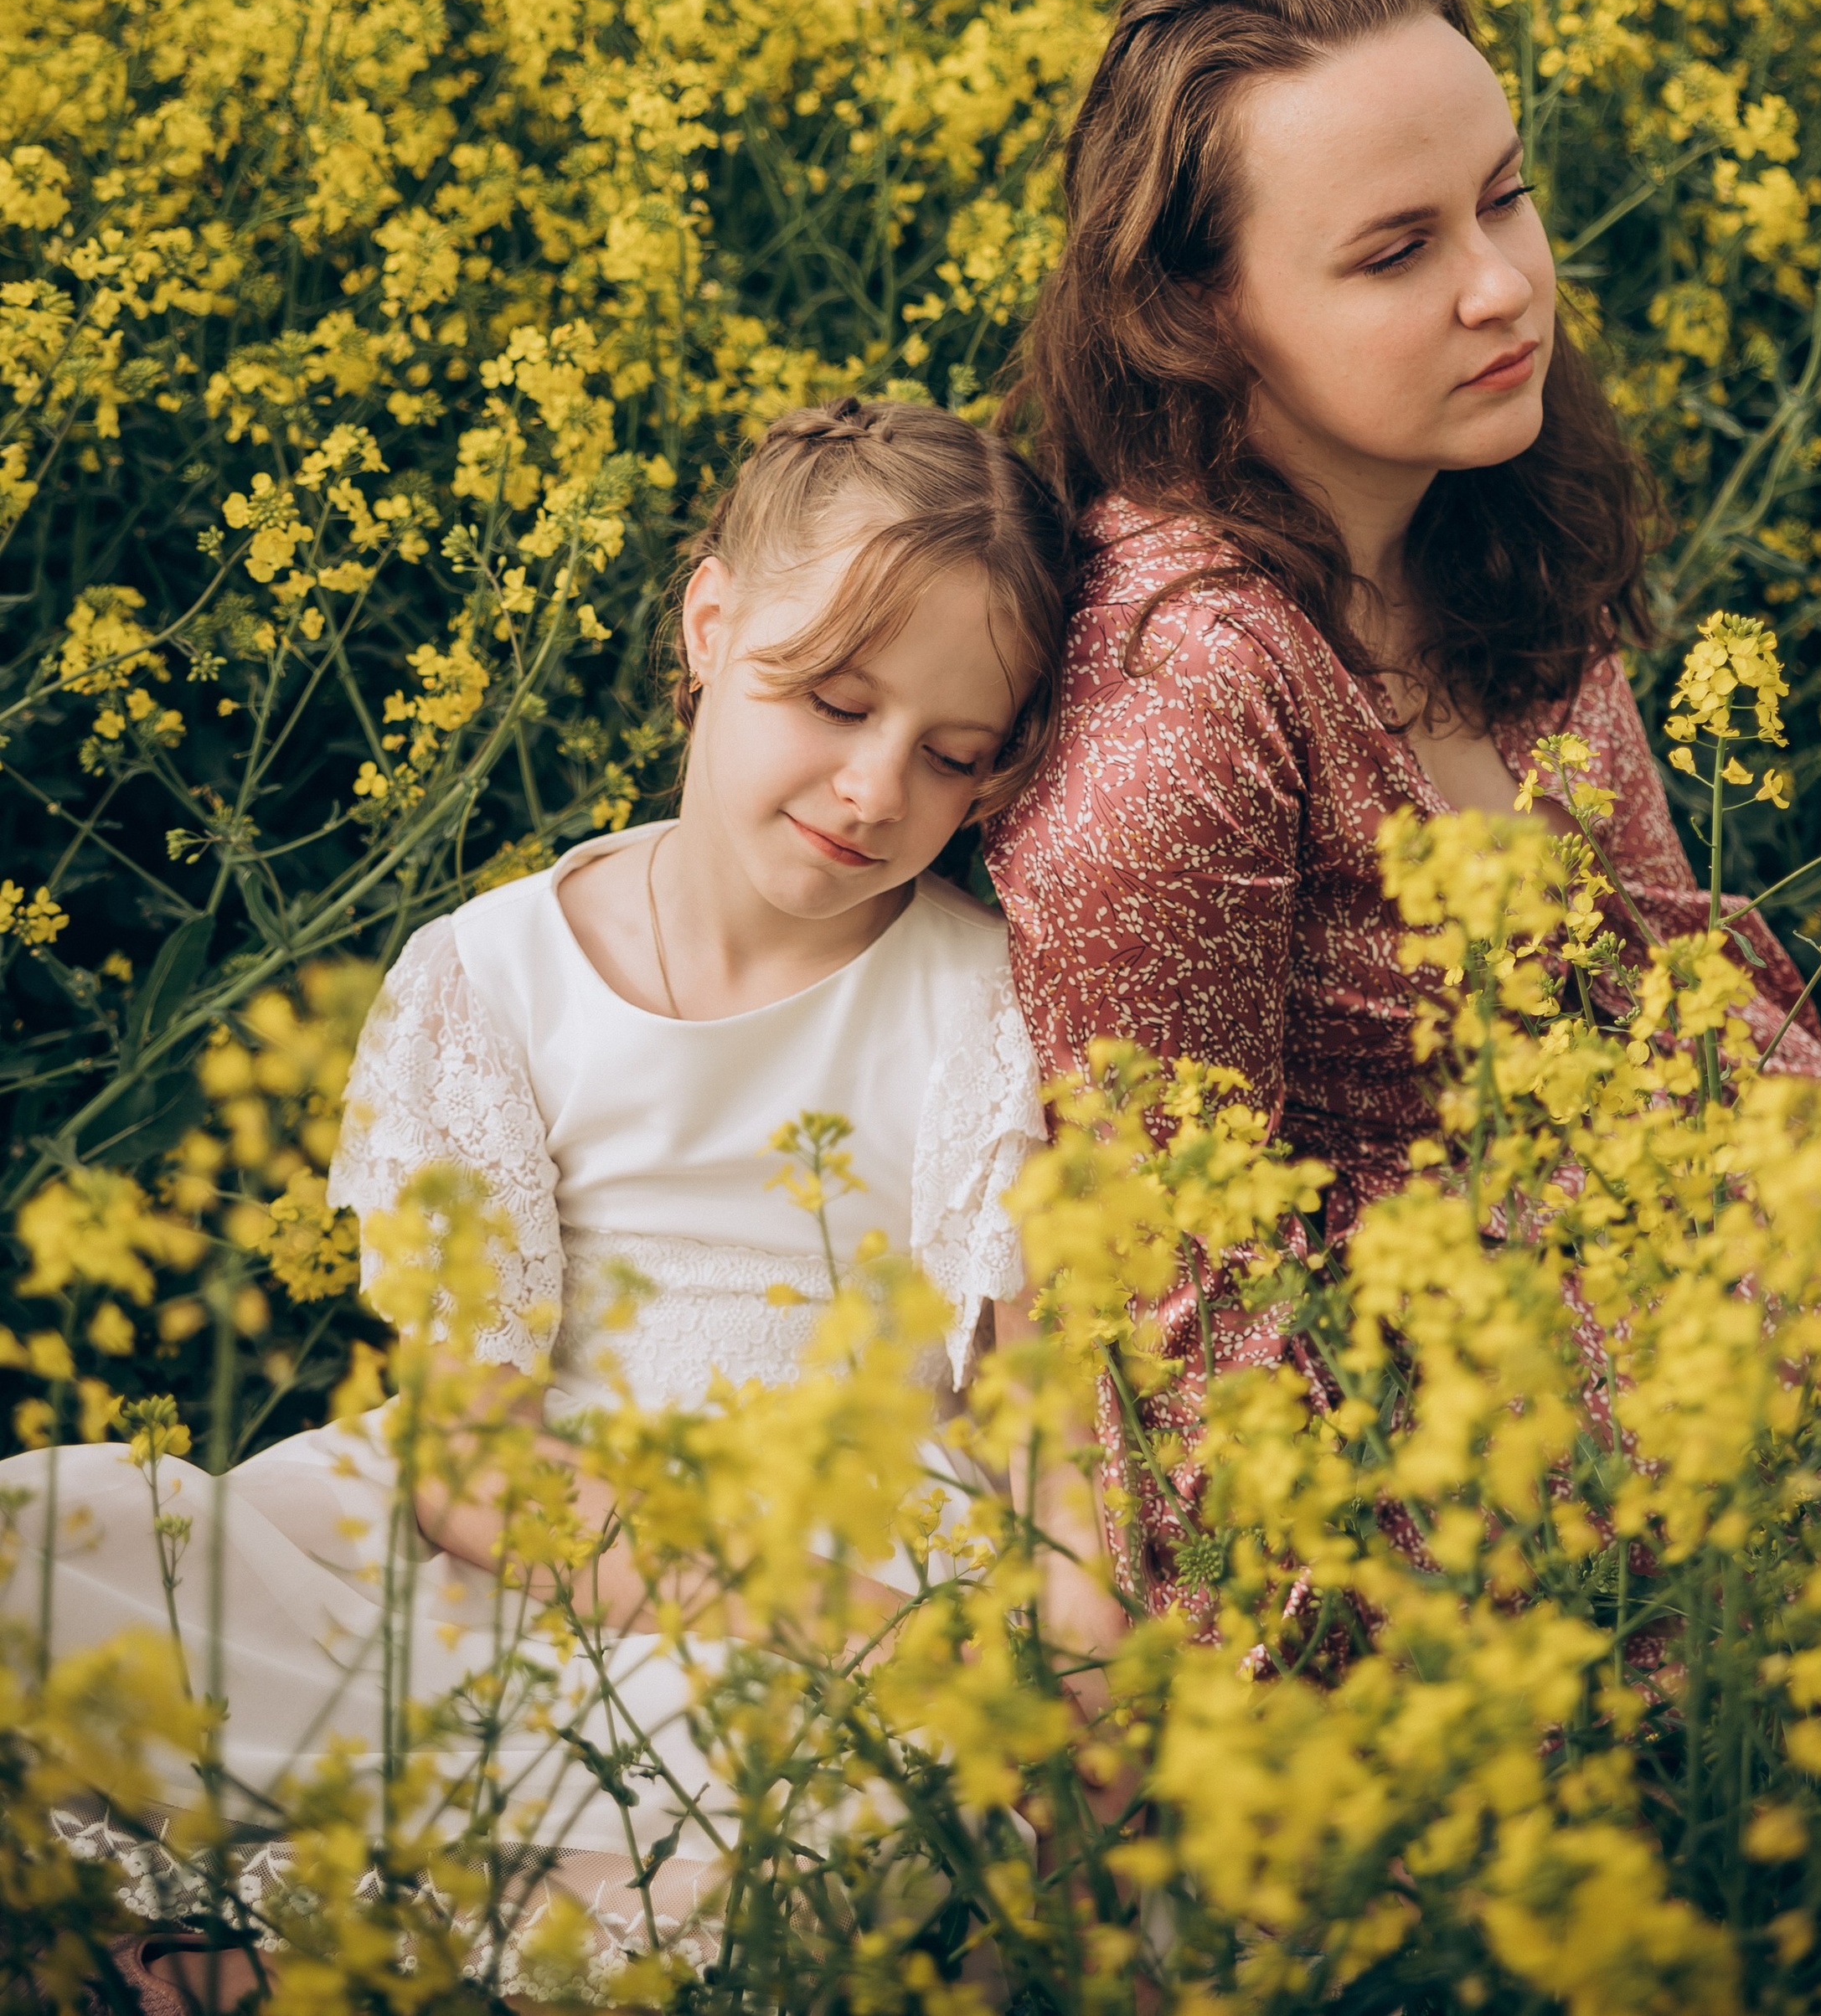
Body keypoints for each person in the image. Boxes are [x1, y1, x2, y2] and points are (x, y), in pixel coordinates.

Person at [5, 400, 1071, 1982]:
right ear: (711, 623)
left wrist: (989, 1649)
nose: (873, 785)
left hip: (856, 1581)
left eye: (954, 755)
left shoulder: (987, 1008)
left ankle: (299, 1958)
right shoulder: (490, 976)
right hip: (512, 1537)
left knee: (808, 1814)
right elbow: (465, 1462)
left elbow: (1034, 1426)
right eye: (833, 700)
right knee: (42, 1551)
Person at [983, 0, 1821, 1600]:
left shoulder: (1480, 534)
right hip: (1420, 1469)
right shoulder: (1182, 704)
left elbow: (1674, 1000)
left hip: (1661, 1267)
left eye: (1503, 196)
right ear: (1195, 313)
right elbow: (1166, 1326)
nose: (1498, 285)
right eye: (1391, 251)